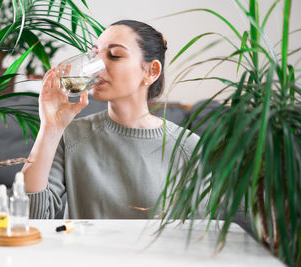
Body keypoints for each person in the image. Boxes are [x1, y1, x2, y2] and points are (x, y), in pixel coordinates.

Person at [22, 20, 199, 219]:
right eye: (95, 55)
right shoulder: (71, 135)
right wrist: (50, 128)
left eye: (114, 56)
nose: (97, 66)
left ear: (152, 71)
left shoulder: (188, 147)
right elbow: (26, 218)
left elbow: (201, 235)